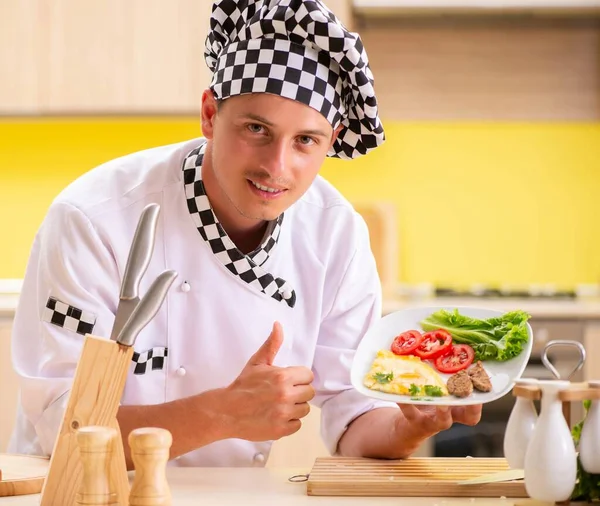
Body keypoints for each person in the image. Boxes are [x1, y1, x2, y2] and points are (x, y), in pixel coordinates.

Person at [8, 0, 481, 468]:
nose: (277, 167)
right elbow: (64, 428)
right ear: (210, 114)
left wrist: (411, 426)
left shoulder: (334, 234)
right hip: (87, 491)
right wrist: (222, 413)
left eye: (305, 141)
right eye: (257, 128)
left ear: (330, 142)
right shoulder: (94, 219)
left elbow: (354, 416)